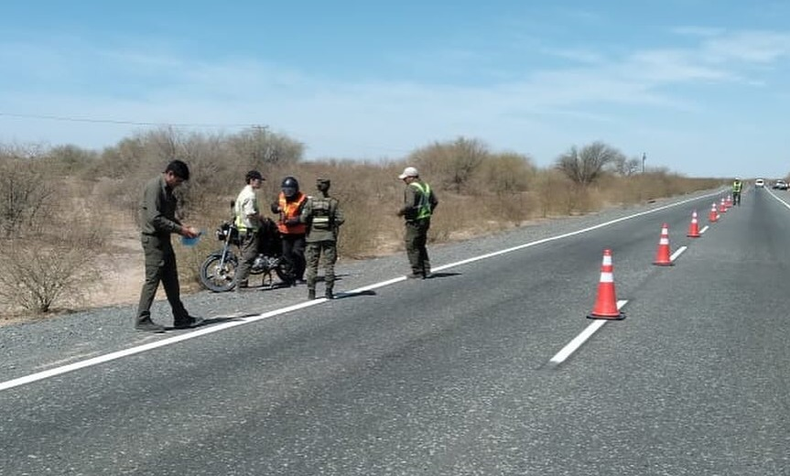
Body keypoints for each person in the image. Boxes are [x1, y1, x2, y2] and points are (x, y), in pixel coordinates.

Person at [135, 160, 203, 333]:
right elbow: (155, 218)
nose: (179, 184)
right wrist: (181, 230)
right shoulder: (154, 187)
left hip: (164, 240)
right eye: (178, 180)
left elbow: (168, 217)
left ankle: (180, 316)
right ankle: (142, 319)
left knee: (171, 279)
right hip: (153, 241)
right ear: (170, 174)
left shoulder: (168, 190)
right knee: (153, 279)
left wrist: (184, 228)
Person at [301, 178, 345, 300]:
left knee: (312, 265)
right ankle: (329, 291)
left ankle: (311, 292)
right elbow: (341, 219)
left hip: (312, 238)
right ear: (328, 187)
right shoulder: (333, 203)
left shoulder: (310, 203)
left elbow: (303, 219)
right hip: (329, 237)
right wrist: (331, 223)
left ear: (317, 187)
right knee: (329, 265)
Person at [396, 166, 438, 279]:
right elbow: (435, 201)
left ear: (411, 177)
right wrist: (429, 211)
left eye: (405, 178)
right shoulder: (426, 186)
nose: (404, 181)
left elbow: (410, 204)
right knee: (421, 245)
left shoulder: (411, 188)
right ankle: (426, 270)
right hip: (425, 219)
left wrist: (400, 212)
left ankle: (417, 272)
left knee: (412, 245)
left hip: (414, 221)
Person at [271, 176, 308, 285]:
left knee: (297, 254)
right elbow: (273, 205)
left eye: (290, 190)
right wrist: (276, 208)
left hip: (299, 233)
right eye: (286, 190)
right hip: (285, 232)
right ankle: (289, 276)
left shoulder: (303, 199)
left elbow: (304, 216)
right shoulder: (281, 196)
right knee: (286, 254)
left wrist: (291, 221)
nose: (288, 193)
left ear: (295, 190)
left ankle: (299, 276)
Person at [234, 170, 266, 292]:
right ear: (252, 180)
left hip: (242, 228)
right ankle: (240, 285)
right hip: (249, 229)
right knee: (249, 256)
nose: (260, 183)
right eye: (259, 180)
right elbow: (250, 214)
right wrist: (261, 217)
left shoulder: (243, 193)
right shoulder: (250, 195)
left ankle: (243, 283)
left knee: (244, 255)